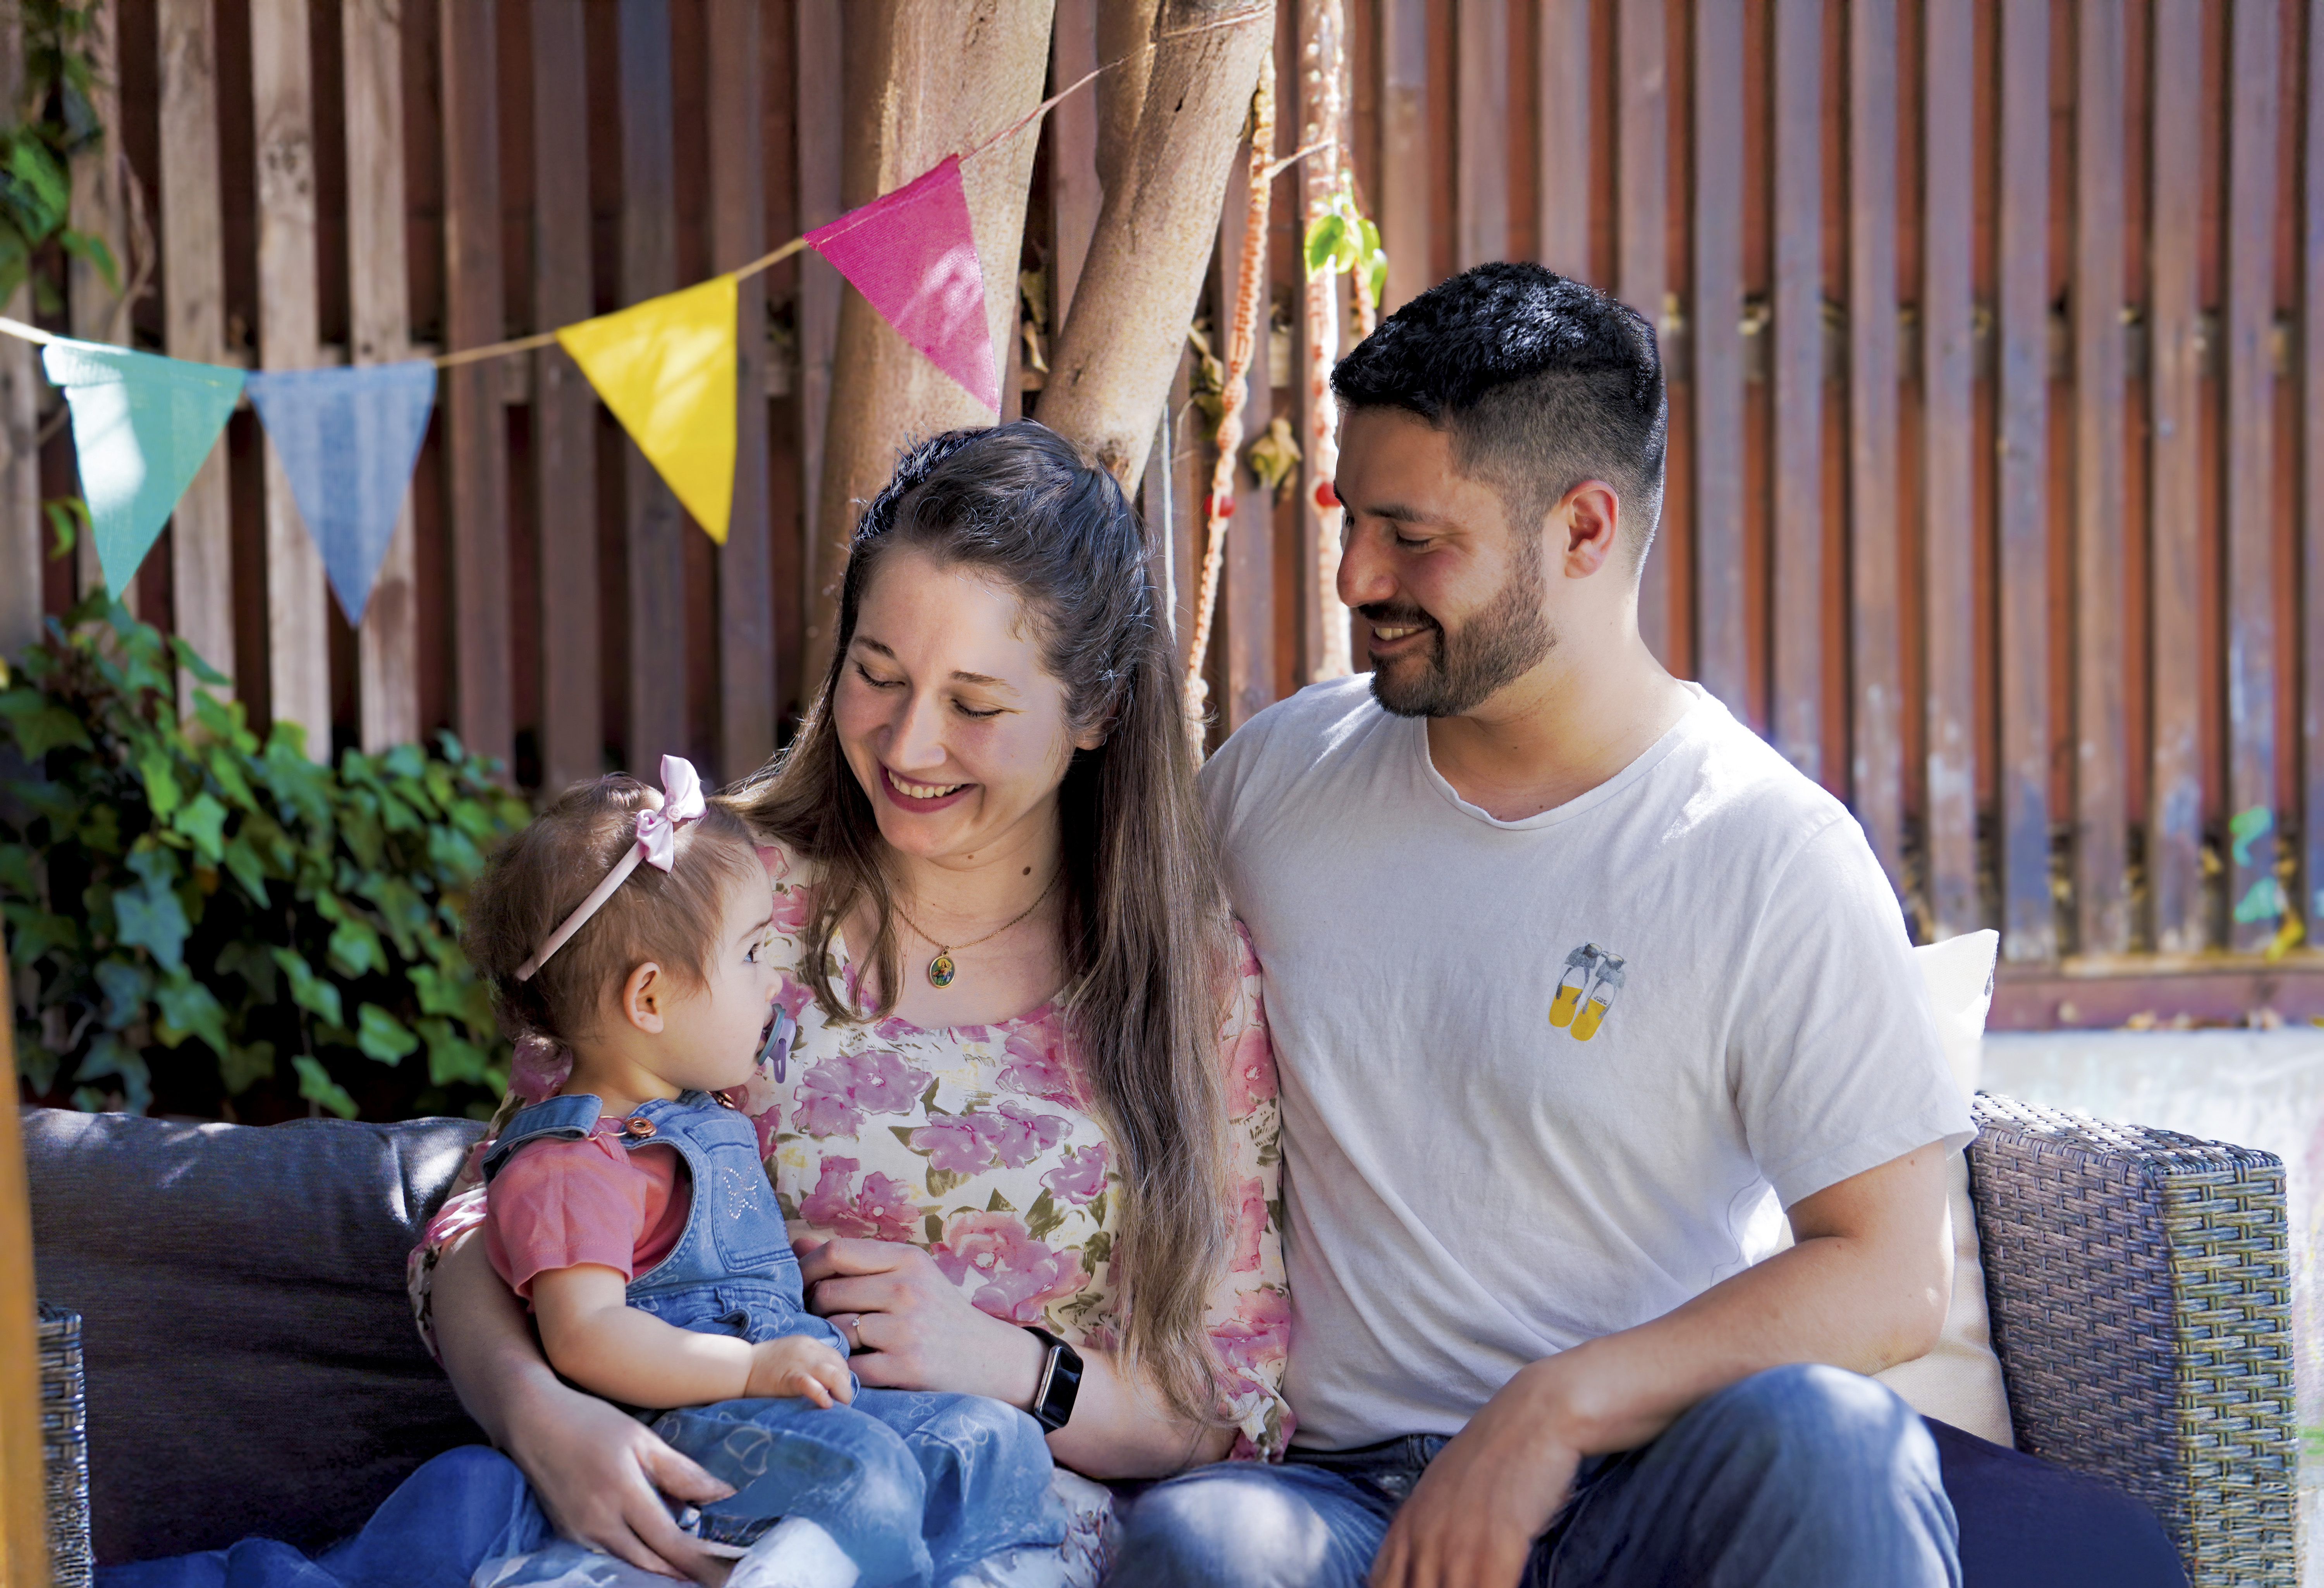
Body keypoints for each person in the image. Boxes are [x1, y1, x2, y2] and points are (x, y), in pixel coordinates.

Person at [1109, 264, 2185, 1588]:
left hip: (1659, 1489)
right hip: (1349, 1510)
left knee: (1832, 1436)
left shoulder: (1763, 851)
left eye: (1412, 535)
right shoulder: (1275, 783)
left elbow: (1892, 1276)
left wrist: (1553, 1408)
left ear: (1583, 529)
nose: (1353, 576)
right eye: (1348, 521)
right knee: (1199, 1546)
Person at [411, 421, 1290, 1583]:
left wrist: (1015, 1362)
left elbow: (1227, 1392)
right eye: (877, 674)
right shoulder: (725, 893)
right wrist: (544, 1417)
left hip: (993, 1528)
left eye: (975, 702)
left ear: (1099, 710)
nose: (909, 740)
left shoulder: (1184, 975)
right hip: (700, 1488)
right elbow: (489, 1212)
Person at [456, 755, 1065, 1587]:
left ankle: (883, 1559)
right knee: (871, 1482)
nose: (773, 980)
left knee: (998, 1442)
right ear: (650, 1000)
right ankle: (812, 1561)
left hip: (797, 1396)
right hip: (687, 1426)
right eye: (749, 955)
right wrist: (747, 1366)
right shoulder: (570, 1162)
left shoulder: (699, 1117)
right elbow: (586, 1335)